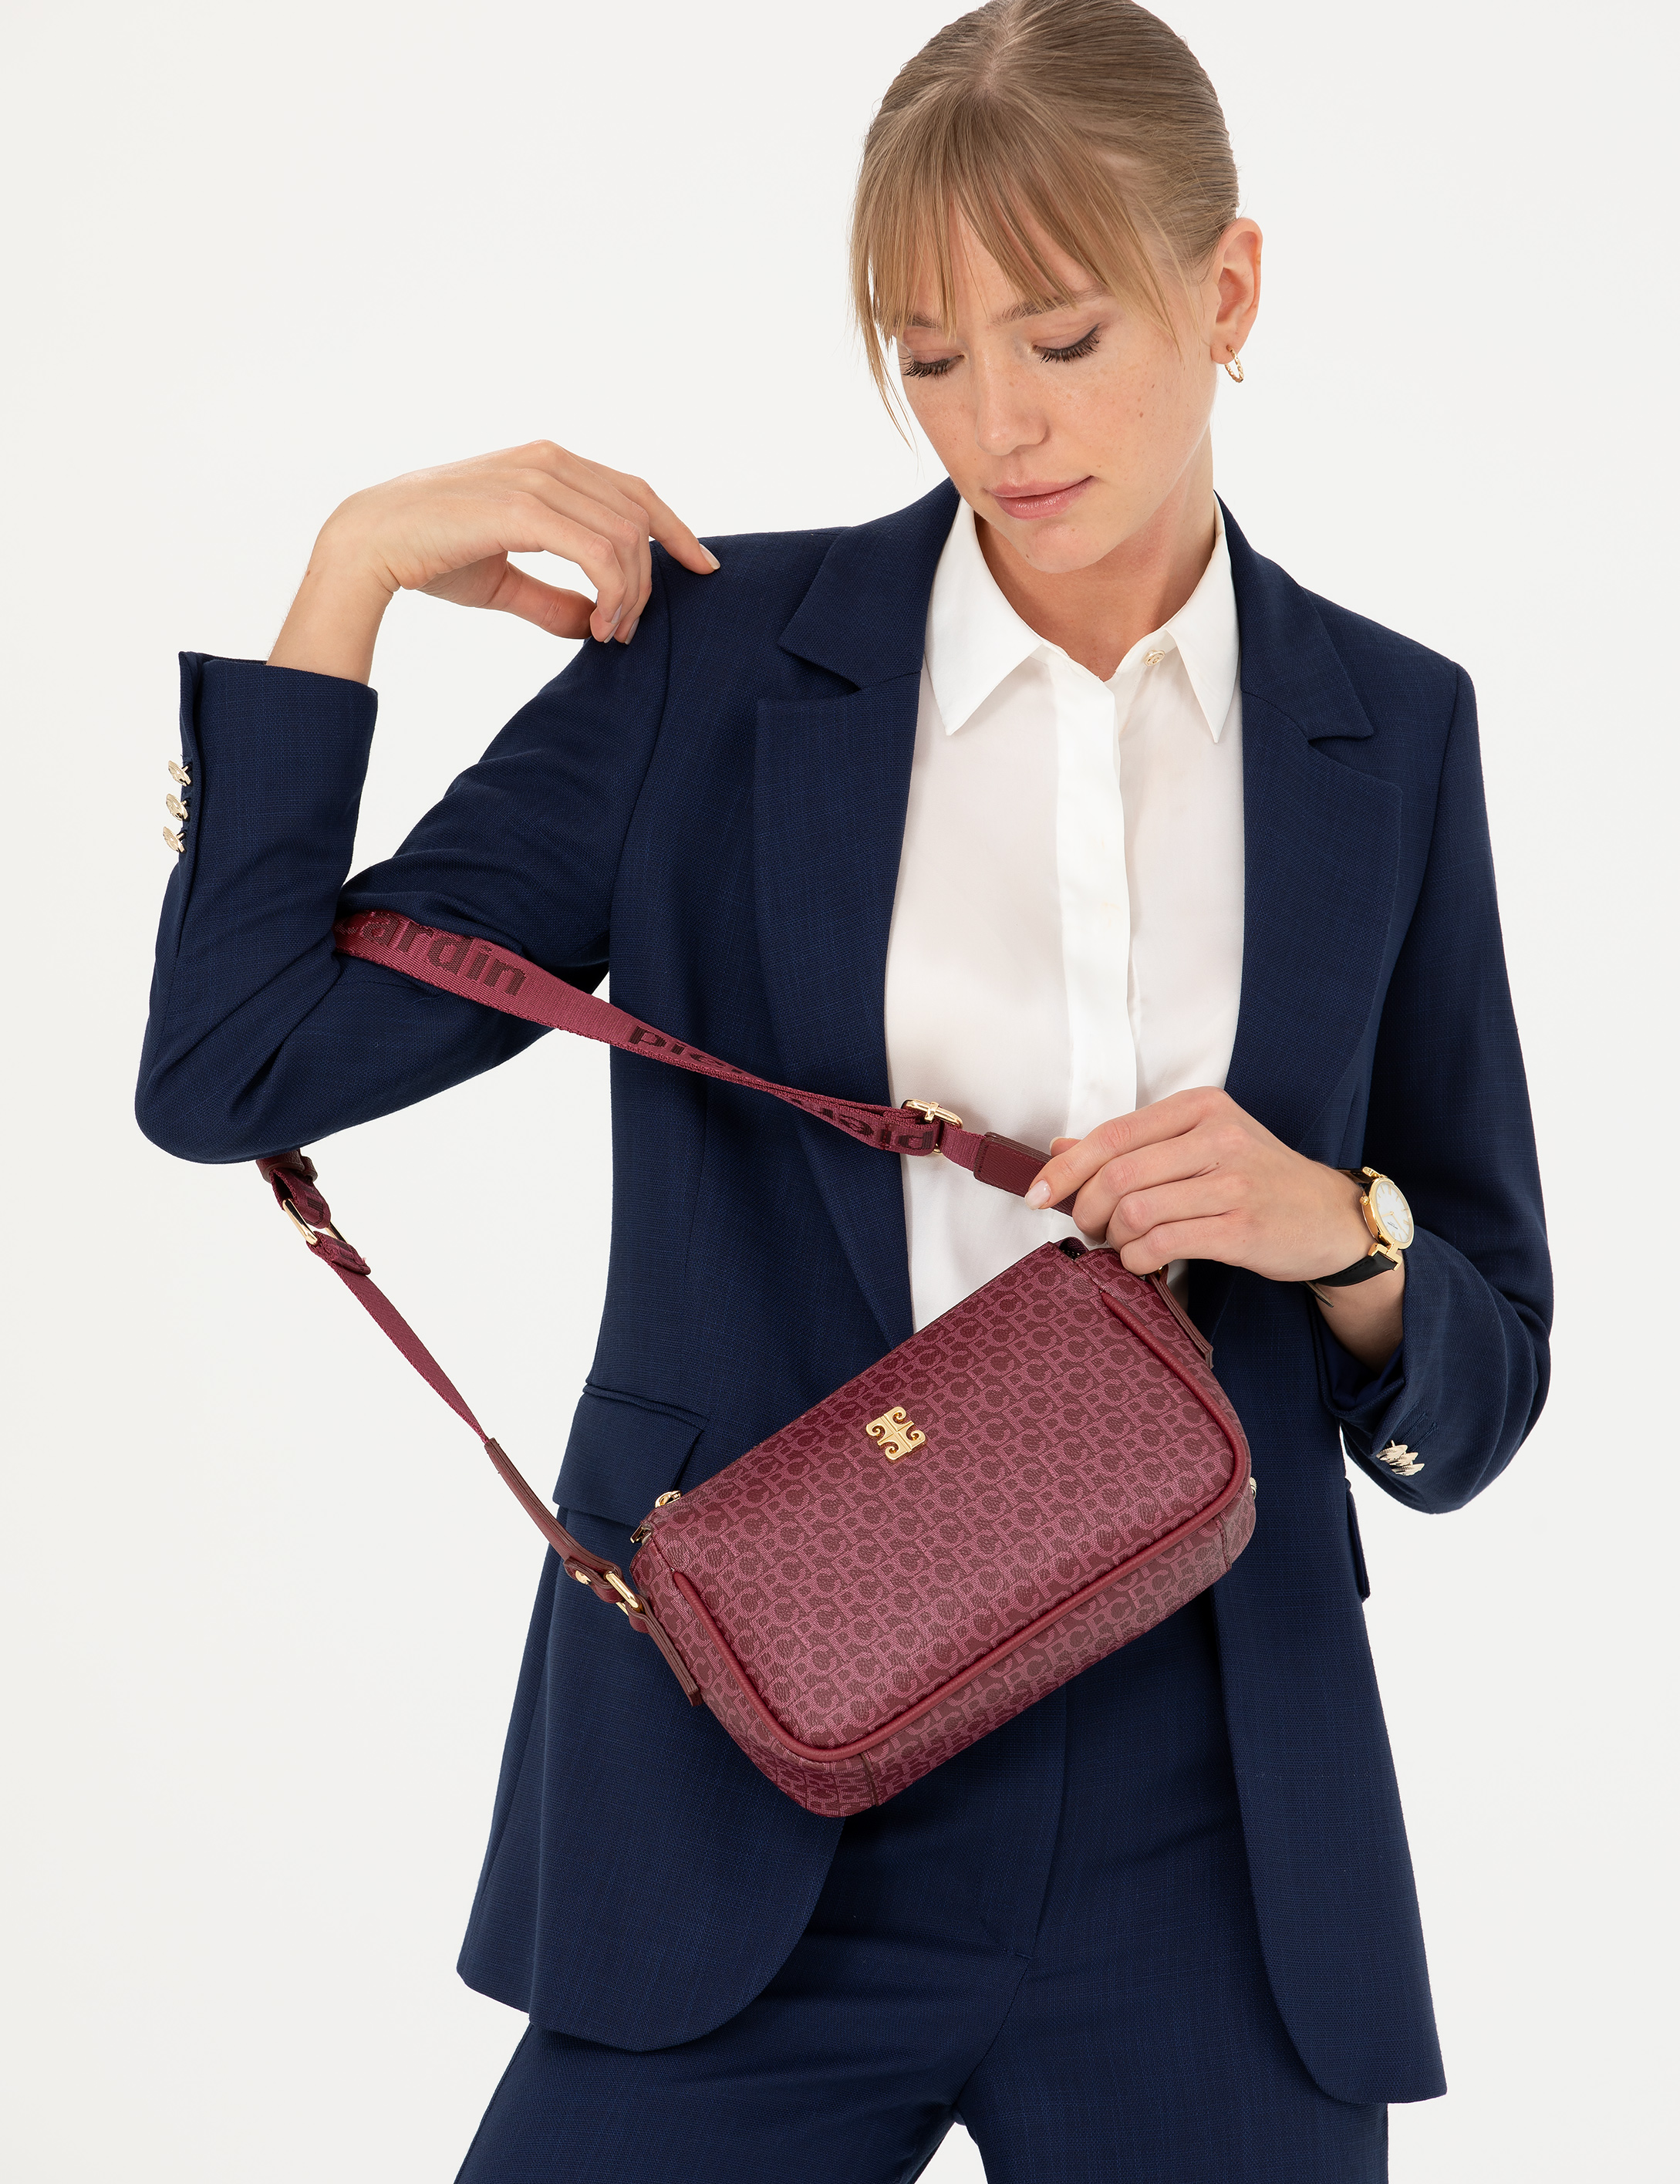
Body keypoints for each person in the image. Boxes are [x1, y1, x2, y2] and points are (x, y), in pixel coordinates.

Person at [136, 2, 1550, 2177]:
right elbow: (234, 1069)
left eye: (1064, 337)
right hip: (749, 1764)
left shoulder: (1389, 727)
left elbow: (1484, 1374)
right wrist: (349, 576)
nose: (1000, 422)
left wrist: (1336, 1233)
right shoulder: (712, 669)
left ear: (1228, 291)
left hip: (1210, 1822)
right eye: (930, 353)